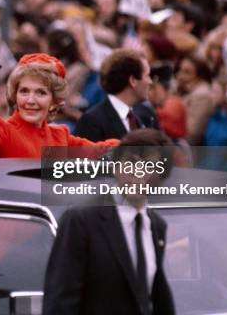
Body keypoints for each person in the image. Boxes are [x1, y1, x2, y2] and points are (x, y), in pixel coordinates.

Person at [43, 129, 176, 315]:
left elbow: (153, 297)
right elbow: (60, 302)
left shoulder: (156, 226)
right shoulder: (81, 221)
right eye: (130, 162)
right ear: (116, 166)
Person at [0, 50, 118, 158]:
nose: (30, 100)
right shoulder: (4, 131)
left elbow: (100, 152)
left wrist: (135, 145)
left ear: (54, 101)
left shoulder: (61, 137)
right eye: (24, 91)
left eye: (41, 93)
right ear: (15, 96)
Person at [74, 48, 160, 142]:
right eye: (147, 76)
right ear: (133, 81)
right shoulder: (92, 122)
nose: (150, 82)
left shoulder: (146, 117)